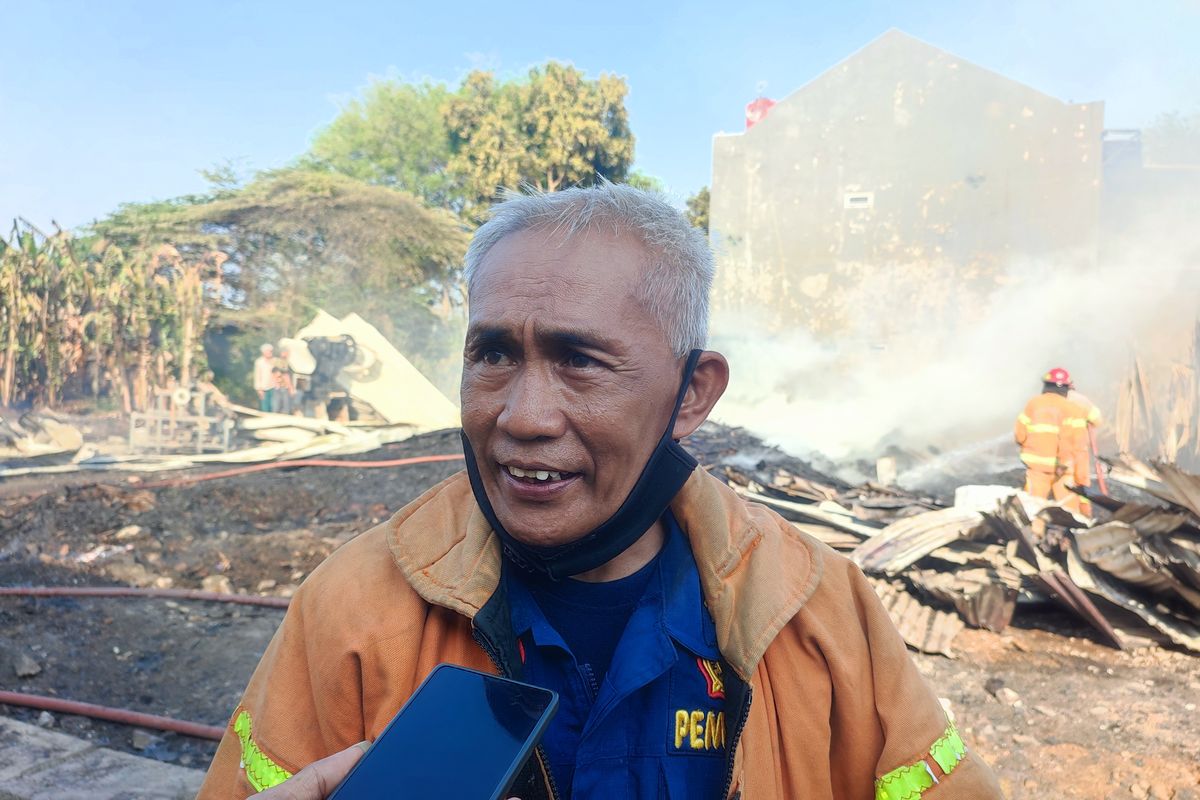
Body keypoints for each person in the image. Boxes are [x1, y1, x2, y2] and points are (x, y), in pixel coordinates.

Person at [198, 183, 1002, 799]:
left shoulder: (816, 607)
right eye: (494, 354)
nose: (523, 417)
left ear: (692, 393)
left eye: (580, 361)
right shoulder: (353, 606)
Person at [1015, 367, 1092, 514]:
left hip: (1037, 468)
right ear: (1066, 388)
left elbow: (1020, 435)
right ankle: (1073, 528)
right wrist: (1063, 463)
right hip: (1063, 470)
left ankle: (1035, 528)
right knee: (1070, 512)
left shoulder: (1033, 404)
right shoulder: (1073, 409)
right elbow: (1076, 443)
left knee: (1033, 510)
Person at [253, 344, 276, 412]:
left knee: (274, 407)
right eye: (269, 351)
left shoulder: (275, 361)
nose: (270, 353)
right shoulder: (259, 362)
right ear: (264, 352)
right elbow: (257, 376)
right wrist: (259, 389)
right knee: (265, 408)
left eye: (271, 351)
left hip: (274, 388)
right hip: (264, 388)